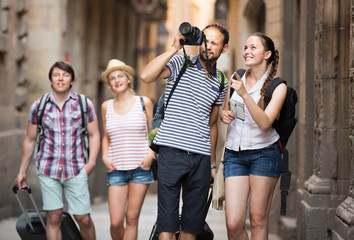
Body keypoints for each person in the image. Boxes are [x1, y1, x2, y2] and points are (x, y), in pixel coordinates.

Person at [140, 23, 229, 239]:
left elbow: (212, 125)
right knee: (167, 224)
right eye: (205, 41)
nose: (208, 46)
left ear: (224, 49)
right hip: (171, 152)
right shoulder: (181, 62)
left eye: (214, 43)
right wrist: (173, 47)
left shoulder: (221, 81)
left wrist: (212, 164)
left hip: (200, 159)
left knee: (192, 226)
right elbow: (146, 76)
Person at [14, 61, 100, 240]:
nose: (61, 78)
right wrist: (21, 171)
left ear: (71, 80)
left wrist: (90, 163)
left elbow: (94, 135)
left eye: (65, 75)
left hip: (76, 169)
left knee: (83, 218)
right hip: (48, 170)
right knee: (53, 218)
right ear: (51, 80)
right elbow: (30, 140)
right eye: (56, 75)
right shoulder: (38, 106)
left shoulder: (84, 104)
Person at [220, 32, 287, 240]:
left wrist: (245, 95)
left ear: (267, 54)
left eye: (253, 48)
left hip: (264, 154)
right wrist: (225, 114)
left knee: (258, 220)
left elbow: (265, 122)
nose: (246, 51)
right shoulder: (237, 77)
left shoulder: (278, 86)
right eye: (246, 47)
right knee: (233, 223)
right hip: (234, 153)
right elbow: (226, 109)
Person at [101, 59, 155, 240]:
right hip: (116, 169)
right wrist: (104, 156)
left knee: (131, 219)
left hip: (140, 168)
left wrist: (150, 154)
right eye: (112, 78)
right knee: (116, 222)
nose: (117, 80)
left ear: (128, 79)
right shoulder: (106, 107)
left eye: (120, 76)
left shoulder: (144, 102)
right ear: (109, 84)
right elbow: (106, 136)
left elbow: (154, 134)